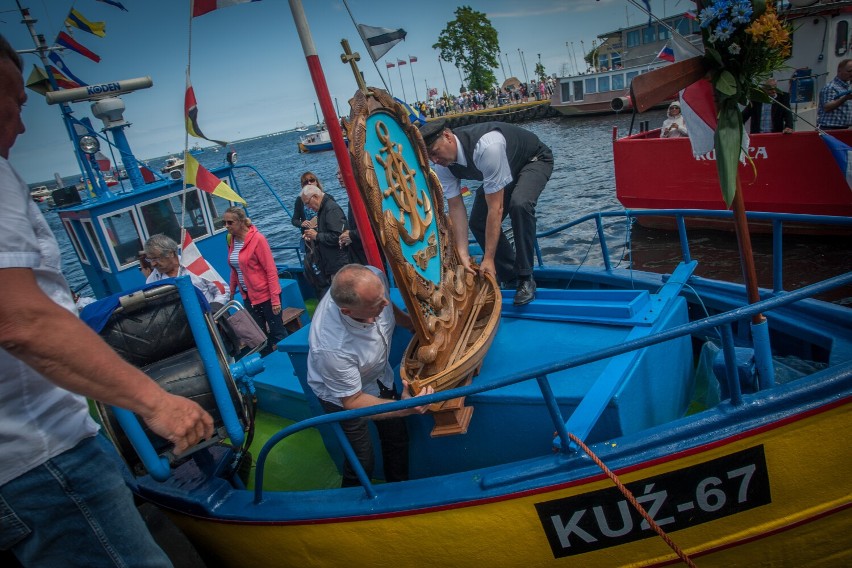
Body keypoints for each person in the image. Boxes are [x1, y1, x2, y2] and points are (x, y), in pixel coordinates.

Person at [0, 34, 214, 567]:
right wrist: (157, 402)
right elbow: (20, 318)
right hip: (43, 460)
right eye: (13, 102)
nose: (23, 126)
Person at [306, 264, 433, 487]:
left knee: (397, 437)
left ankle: (398, 489)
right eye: (376, 304)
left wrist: (407, 322)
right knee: (362, 461)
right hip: (344, 396)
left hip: (378, 376)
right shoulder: (331, 347)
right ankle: (353, 503)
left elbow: (387, 304)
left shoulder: (373, 277)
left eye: (383, 296)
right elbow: (352, 400)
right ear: (348, 311)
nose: (384, 304)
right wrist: (405, 407)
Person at [420, 120, 553, 305]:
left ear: (448, 137)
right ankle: (508, 274)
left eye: (435, 153)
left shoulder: (486, 146)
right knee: (478, 221)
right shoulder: (442, 166)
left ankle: (525, 277)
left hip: (532, 160)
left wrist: (488, 258)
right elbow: (456, 207)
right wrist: (463, 253)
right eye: (430, 158)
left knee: (520, 204)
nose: (435, 161)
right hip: (503, 169)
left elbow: (496, 209)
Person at [223, 206, 288, 356]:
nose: (226, 226)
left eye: (230, 222)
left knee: (278, 332)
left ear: (240, 222)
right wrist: (231, 293)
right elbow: (235, 268)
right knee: (258, 337)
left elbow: (271, 270)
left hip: (266, 296)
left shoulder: (258, 239)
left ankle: (287, 362)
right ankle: (268, 365)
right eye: (224, 222)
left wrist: (275, 299)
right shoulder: (231, 240)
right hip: (248, 297)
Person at [143, 234, 228, 309]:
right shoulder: (152, 280)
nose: (153, 264)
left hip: (212, 318)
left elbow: (223, 290)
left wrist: (213, 310)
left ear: (171, 253)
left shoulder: (197, 264)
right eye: (149, 259)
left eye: (156, 258)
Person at [300, 183, 350, 295]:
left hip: (339, 264)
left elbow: (338, 236)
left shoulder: (330, 209)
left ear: (315, 197)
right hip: (332, 264)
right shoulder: (323, 209)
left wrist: (316, 236)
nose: (308, 207)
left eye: (307, 203)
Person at [336, 169, 368, 265]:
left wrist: (351, 235)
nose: (338, 177)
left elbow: (373, 228)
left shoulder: (362, 199)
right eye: (337, 174)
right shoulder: (352, 201)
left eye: (341, 172)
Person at [818, 59, 852, 130]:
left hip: (844, 128)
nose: (851, 74)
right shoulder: (831, 87)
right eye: (849, 71)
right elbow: (827, 107)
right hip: (830, 128)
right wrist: (845, 98)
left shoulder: (845, 88)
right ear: (839, 70)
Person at [291, 171, 321, 235]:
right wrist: (301, 223)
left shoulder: (326, 197)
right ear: (302, 186)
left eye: (311, 180)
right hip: (309, 235)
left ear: (316, 182)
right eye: (306, 182)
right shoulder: (299, 200)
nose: (309, 183)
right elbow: (294, 220)